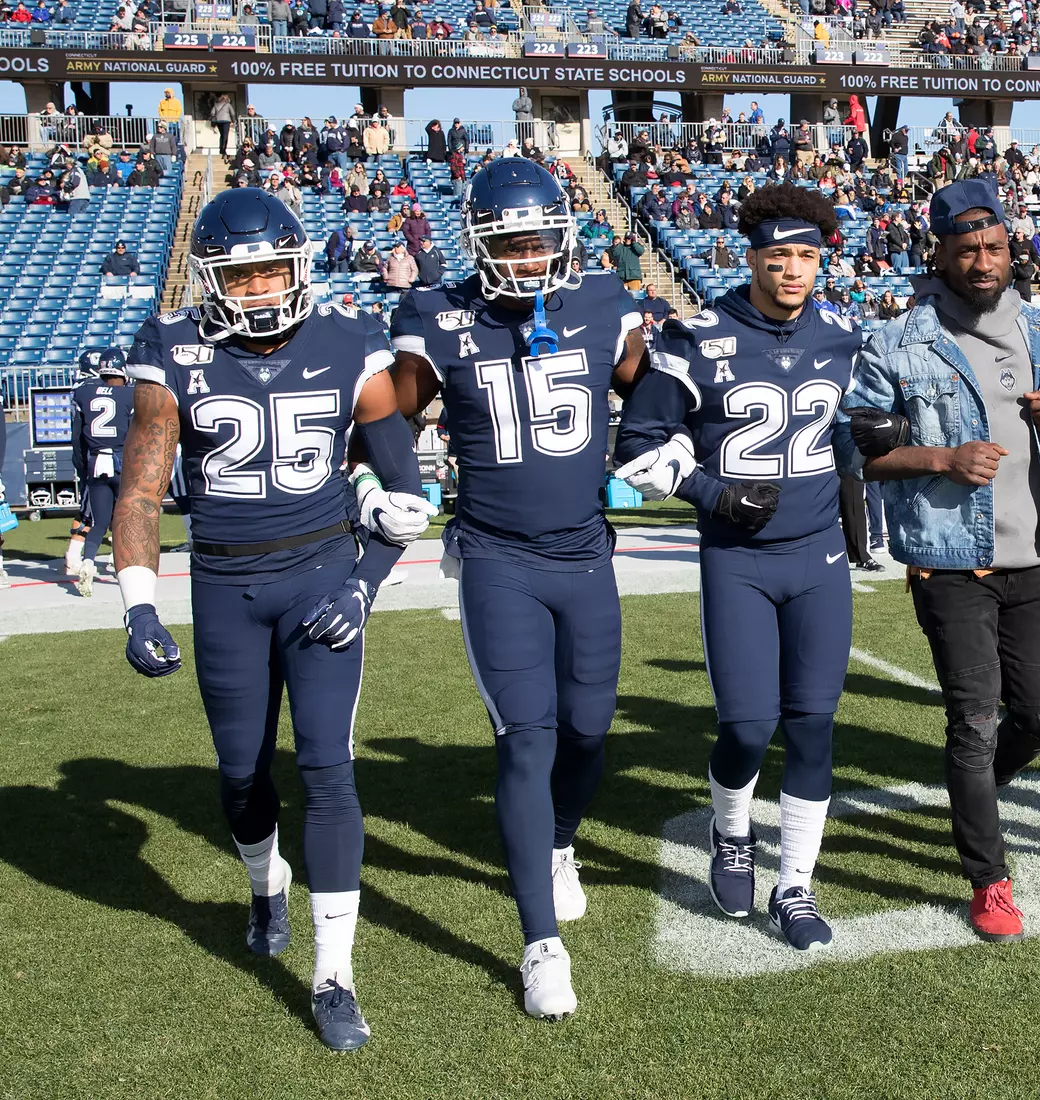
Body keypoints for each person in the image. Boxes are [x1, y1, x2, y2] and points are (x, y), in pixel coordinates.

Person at [113, 188, 433, 1053]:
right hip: (225, 587)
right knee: (243, 774)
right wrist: (138, 603)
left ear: (299, 267)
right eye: (240, 274)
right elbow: (140, 489)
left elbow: (408, 498)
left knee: (329, 771)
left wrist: (364, 582)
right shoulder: (171, 348)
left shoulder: (346, 343)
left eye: (271, 271)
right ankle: (265, 884)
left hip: (322, 578)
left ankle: (335, 975)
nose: (258, 290)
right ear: (212, 278)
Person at [389, 158, 646, 1019]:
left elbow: (655, 393)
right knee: (526, 739)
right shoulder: (441, 317)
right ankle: (541, 945)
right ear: (479, 244)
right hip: (497, 558)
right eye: (512, 244)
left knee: (590, 730)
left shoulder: (605, 302)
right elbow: (386, 411)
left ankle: (559, 842)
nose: (530, 259)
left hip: (585, 556)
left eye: (542, 243)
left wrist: (672, 444)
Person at [613, 183, 860, 952]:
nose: (793, 270)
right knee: (749, 728)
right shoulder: (694, 336)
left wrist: (876, 442)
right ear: (751, 257)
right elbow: (636, 447)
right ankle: (730, 832)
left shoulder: (842, 334)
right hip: (740, 559)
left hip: (819, 555)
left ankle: (796, 885)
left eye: (807, 256)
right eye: (779, 255)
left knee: (814, 726)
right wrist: (710, 493)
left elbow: (844, 438)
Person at [835, 178, 1040, 944]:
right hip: (948, 561)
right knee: (973, 721)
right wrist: (941, 456)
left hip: (1032, 553)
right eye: (966, 249)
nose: (982, 261)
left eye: (994, 247)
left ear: (1013, 248)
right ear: (937, 252)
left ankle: (970, 795)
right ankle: (989, 878)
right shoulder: (896, 340)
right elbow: (860, 453)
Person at [66, 348, 133, 595]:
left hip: (95, 463)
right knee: (124, 520)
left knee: (99, 521)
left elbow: (77, 437)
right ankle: (121, 566)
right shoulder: (130, 395)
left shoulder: (83, 393)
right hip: (121, 462)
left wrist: (82, 468)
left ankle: (88, 562)